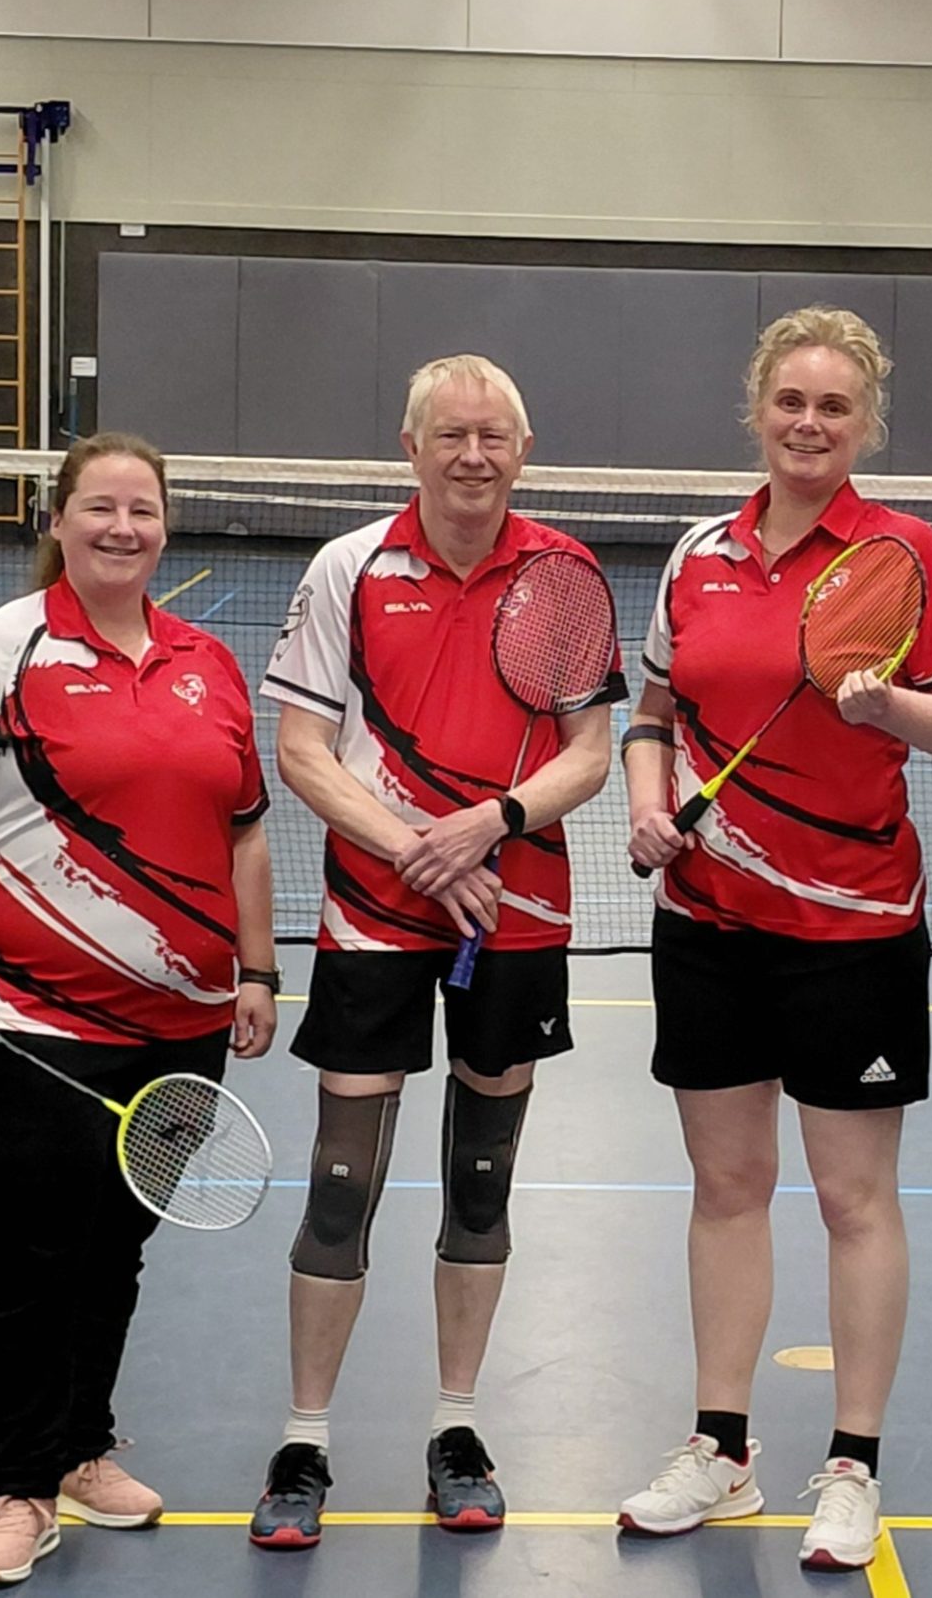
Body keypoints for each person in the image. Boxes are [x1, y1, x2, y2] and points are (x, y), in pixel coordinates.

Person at [618, 307, 932, 1573]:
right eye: (791, 399)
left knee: (851, 1198)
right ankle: (720, 1449)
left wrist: (889, 700)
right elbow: (654, 708)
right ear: (758, 404)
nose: (809, 422)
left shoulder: (902, 553)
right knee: (725, 1188)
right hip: (711, 920)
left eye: (835, 406)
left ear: (864, 423)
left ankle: (853, 1463)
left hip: (853, 926)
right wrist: (646, 802)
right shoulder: (699, 551)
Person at [0, 433, 280, 1588]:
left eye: (143, 509)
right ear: (59, 520)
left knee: (116, 1244)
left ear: (166, 527)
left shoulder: (207, 659)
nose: (123, 527)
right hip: (19, 1016)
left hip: (183, 1020)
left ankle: (81, 1445)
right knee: (24, 1246)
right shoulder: (0, 649)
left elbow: (246, 825)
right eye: (100, 507)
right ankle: (15, 1480)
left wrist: (254, 969)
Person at [247, 354, 623, 1549]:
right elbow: (301, 750)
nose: (473, 454)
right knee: (340, 1180)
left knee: (479, 1181)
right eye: (451, 434)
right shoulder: (348, 568)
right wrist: (420, 846)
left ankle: (456, 1427)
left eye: (494, 436)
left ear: (522, 449)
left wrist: (492, 825)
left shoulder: (563, 575)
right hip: (375, 910)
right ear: (411, 446)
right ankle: (303, 1440)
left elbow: (589, 752)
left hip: (517, 909)